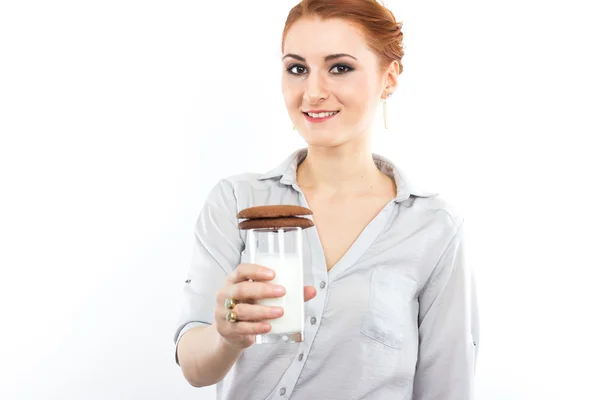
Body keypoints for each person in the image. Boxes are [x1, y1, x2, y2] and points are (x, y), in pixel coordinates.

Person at [173, 0, 479, 398]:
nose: (313, 91)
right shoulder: (236, 201)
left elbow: (447, 387)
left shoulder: (432, 227)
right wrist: (226, 336)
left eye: (340, 68)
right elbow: (194, 366)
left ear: (389, 77)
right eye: (297, 69)